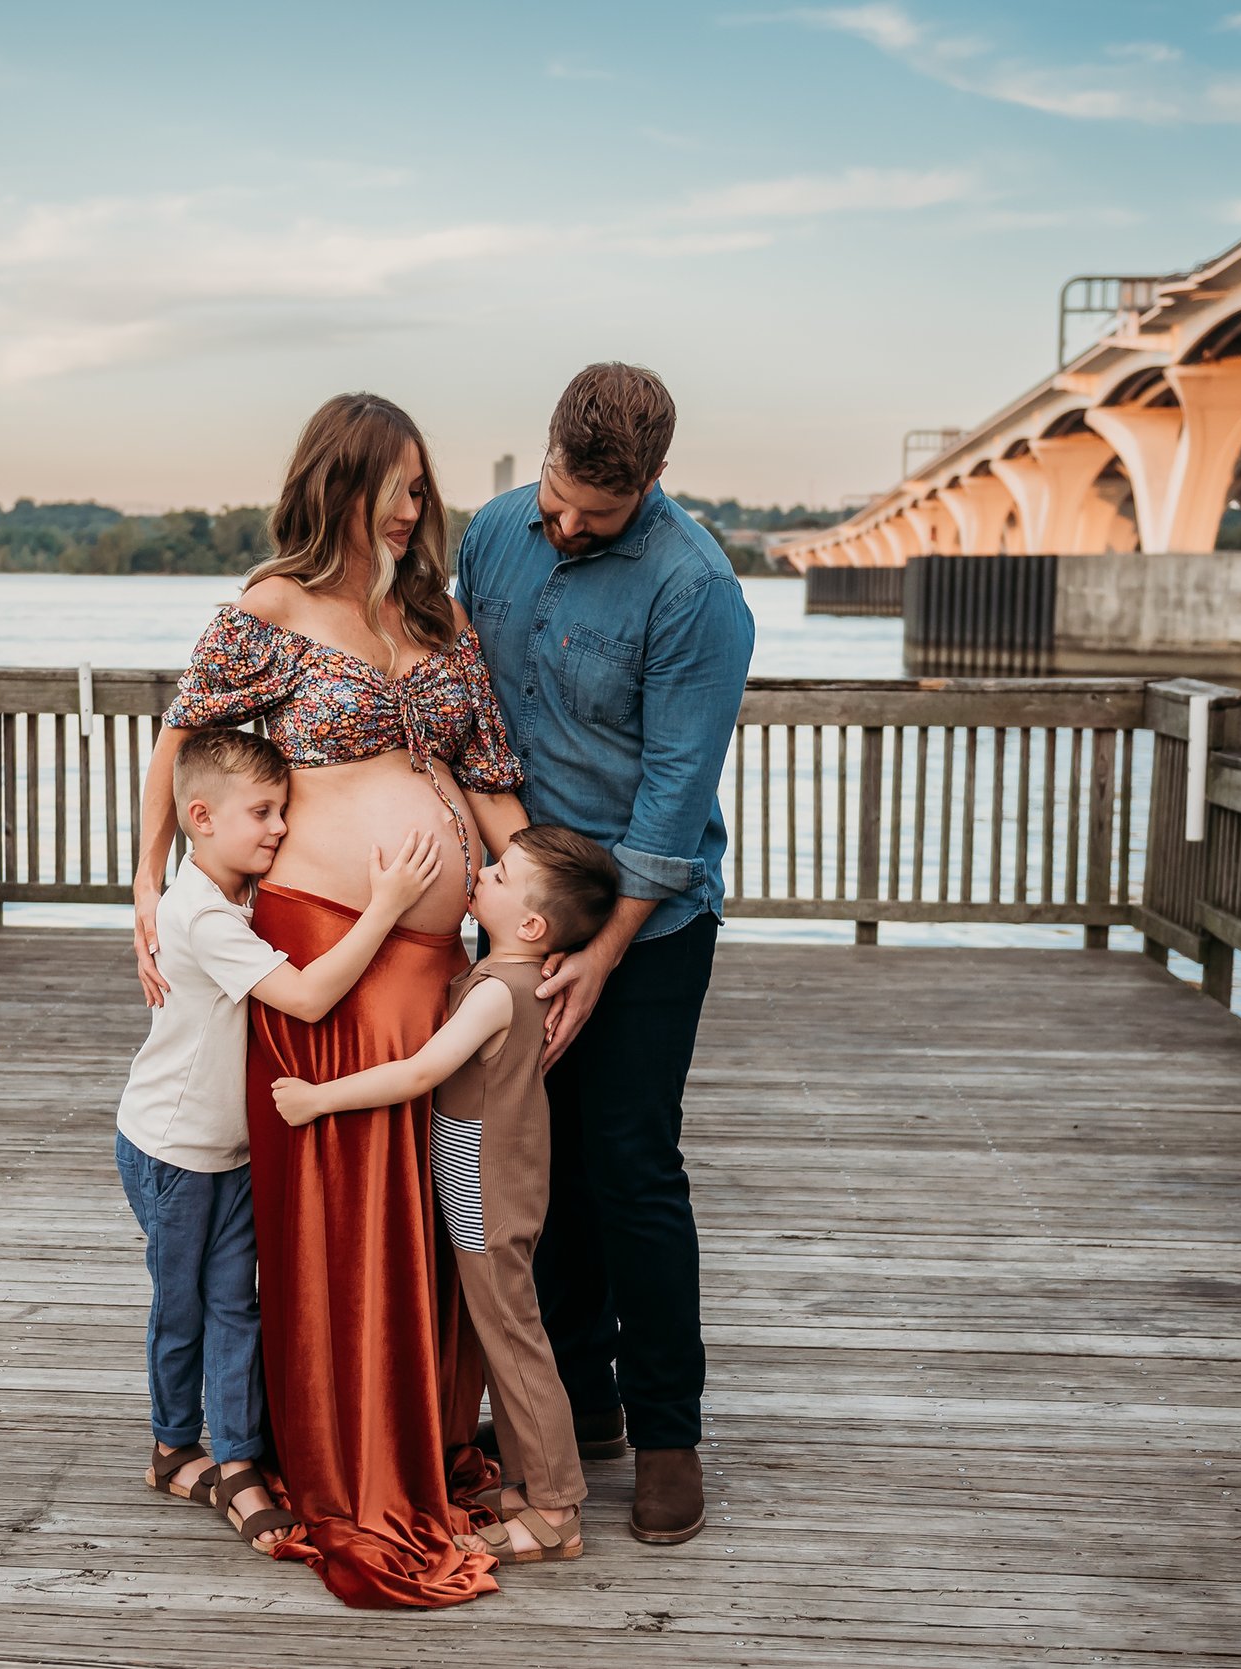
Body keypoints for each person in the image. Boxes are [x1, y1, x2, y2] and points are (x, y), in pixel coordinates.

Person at [131, 393, 531, 1609]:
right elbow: (180, 741)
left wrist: (547, 911)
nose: (417, 505)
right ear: (340, 485)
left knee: (434, 1213)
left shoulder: (440, 616)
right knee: (349, 1224)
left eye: (423, 483)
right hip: (327, 965)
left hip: (438, 974)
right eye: (396, 485)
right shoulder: (272, 608)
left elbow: (488, 777)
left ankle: (428, 1440)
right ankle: (347, 1454)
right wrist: (143, 885)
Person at [452, 362, 755, 1546]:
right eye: (559, 498)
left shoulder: (697, 591)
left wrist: (606, 949)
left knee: (628, 1168)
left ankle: (667, 1430)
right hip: (520, 909)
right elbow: (472, 710)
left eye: (596, 514)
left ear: (655, 482)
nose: (564, 525)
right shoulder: (491, 533)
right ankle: (581, 1410)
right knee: (536, 1167)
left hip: (652, 922)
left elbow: (676, 800)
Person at [117, 728, 444, 1555]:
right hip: (173, 1147)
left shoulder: (235, 900)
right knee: (186, 1303)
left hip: (226, 1148)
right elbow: (303, 999)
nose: (279, 829)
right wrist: (386, 906)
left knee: (238, 1302)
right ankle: (169, 1447)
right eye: (262, 813)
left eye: (284, 811)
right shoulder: (202, 913)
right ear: (200, 817)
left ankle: (236, 1461)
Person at [272, 826, 620, 1568]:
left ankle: (558, 1509)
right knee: (503, 1339)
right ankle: (530, 1486)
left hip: (490, 1197)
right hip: (481, 1189)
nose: (484, 873)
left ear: (531, 925)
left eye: (500, 873)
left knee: (518, 1345)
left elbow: (417, 1073)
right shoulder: (505, 973)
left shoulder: (500, 992)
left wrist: (316, 1098)